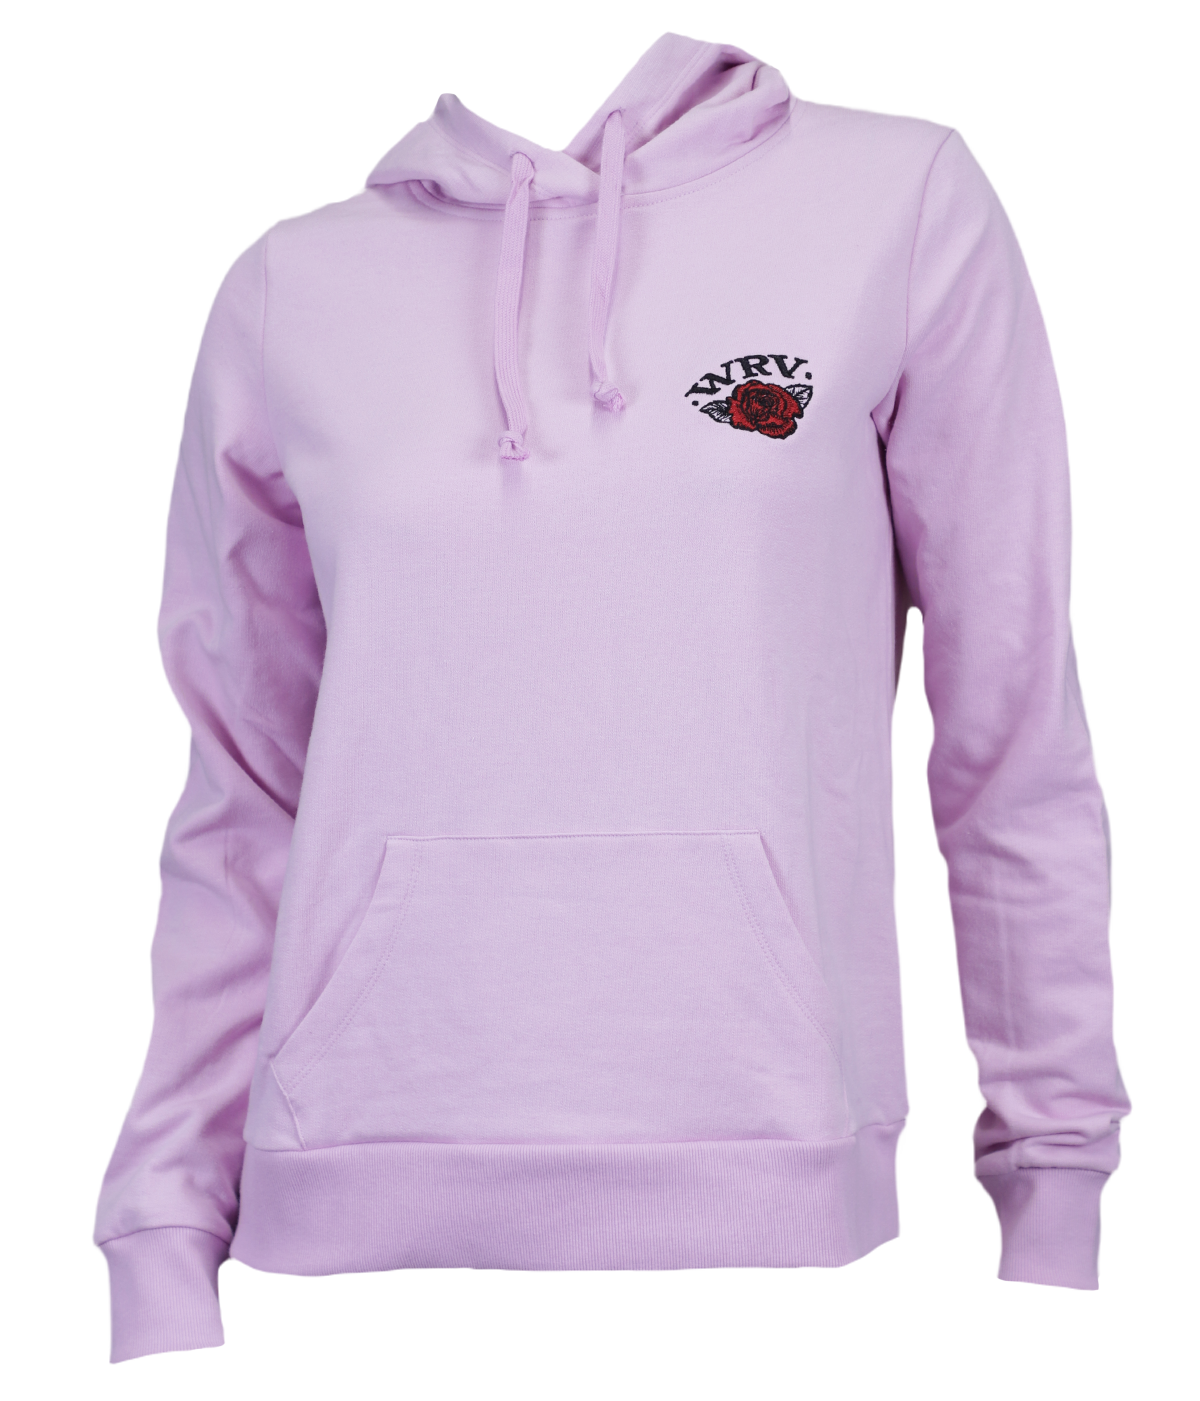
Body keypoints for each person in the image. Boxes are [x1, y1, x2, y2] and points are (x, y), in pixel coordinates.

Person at [94, 30, 1132, 1365]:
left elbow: (1013, 749)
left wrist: (1053, 1200)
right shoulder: (289, 291)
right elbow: (237, 816)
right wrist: (162, 1239)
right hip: (354, 1253)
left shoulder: (901, 203)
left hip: (779, 1231)